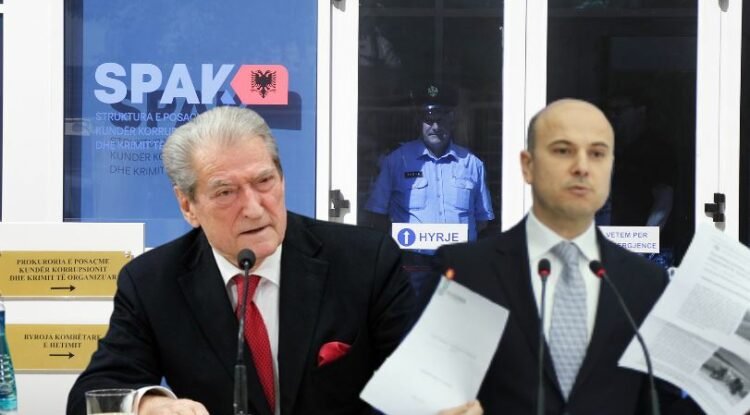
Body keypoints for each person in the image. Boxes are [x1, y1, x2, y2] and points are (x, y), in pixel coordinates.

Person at [66, 106, 478, 415]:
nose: (253, 208)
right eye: (225, 192)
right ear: (188, 205)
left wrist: (444, 400)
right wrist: (149, 405)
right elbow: (89, 397)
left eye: (264, 181)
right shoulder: (152, 282)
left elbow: (422, 380)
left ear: (281, 178)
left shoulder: (364, 260)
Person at [423, 99, 703, 414]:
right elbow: (419, 392)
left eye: (597, 154)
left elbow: (659, 403)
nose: (582, 167)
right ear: (528, 166)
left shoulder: (646, 283)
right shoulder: (464, 271)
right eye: (562, 151)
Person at [364, 83, 494, 242]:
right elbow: (377, 215)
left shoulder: (472, 163)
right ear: (419, 121)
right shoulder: (396, 161)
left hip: (458, 256)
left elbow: (482, 221)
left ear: (451, 120)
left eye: (441, 119)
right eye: (429, 120)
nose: (436, 127)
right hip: (411, 256)